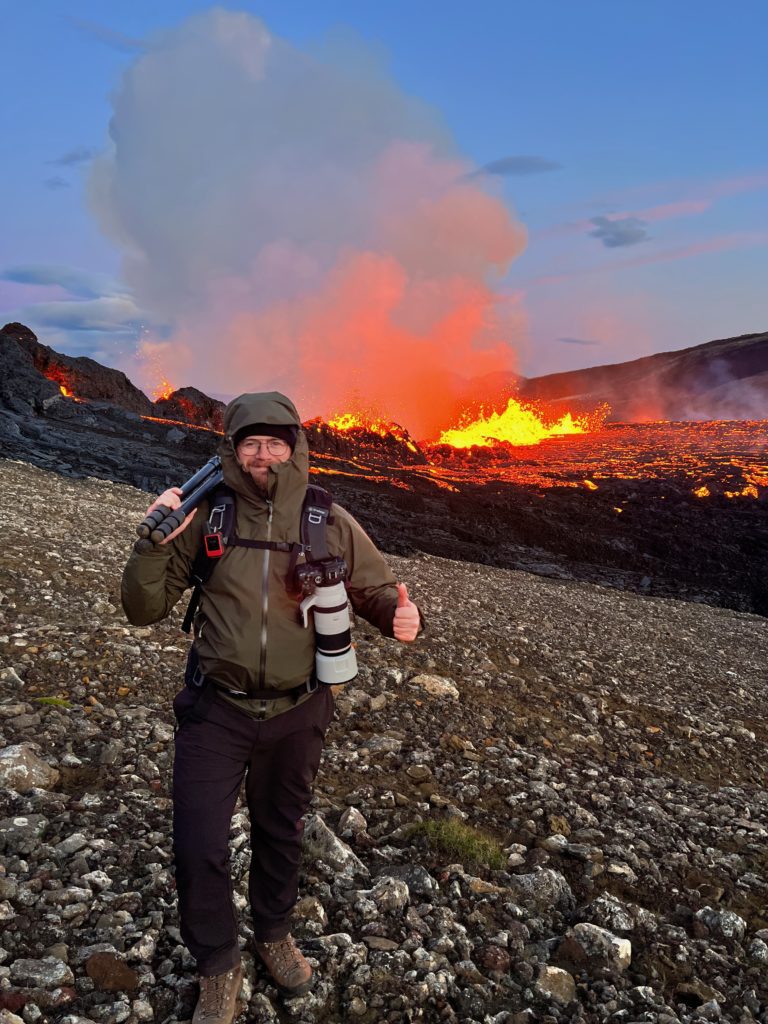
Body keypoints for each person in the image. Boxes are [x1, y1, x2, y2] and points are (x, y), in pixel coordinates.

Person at [121, 391, 421, 1023]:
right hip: (215, 708)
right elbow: (143, 610)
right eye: (250, 443)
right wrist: (152, 544)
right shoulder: (207, 516)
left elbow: (372, 588)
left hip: (299, 710)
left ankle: (274, 932)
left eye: (275, 442)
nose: (263, 454)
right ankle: (217, 966)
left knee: (280, 831)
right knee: (199, 839)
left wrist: (398, 612)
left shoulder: (325, 518)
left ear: (295, 448)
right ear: (233, 450)